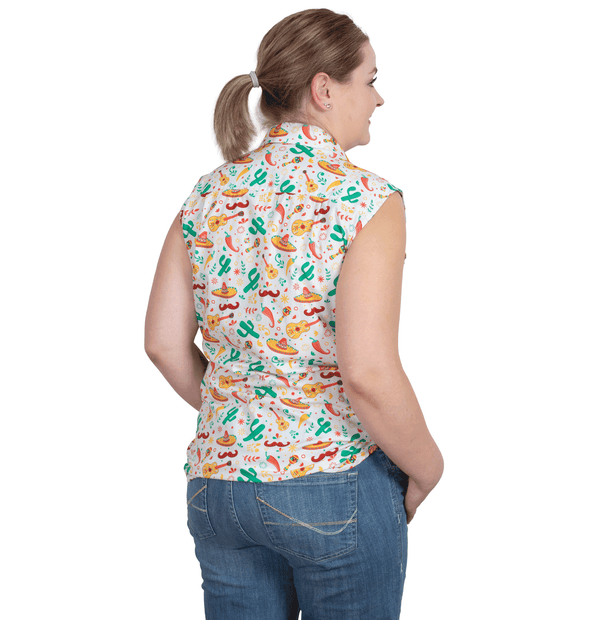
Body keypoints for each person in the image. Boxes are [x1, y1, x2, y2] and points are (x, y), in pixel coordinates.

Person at [145, 8, 444, 620]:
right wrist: (428, 468)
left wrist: (248, 417)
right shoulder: (366, 200)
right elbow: (368, 373)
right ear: (324, 89)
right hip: (331, 479)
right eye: (370, 80)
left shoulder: (208, 193)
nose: (379, 98)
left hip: (218, 485)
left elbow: (163, 343)